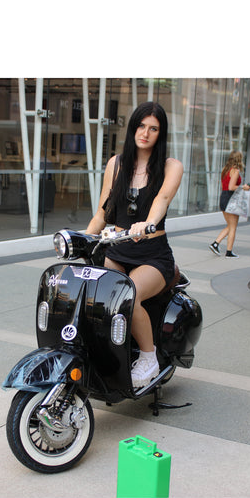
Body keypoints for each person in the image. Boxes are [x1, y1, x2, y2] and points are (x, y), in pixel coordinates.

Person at [85, 102, 183, 388]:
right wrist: (82, 240)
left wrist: (147, 222)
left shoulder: (171, 166)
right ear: (132, 128)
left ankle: (149, 358)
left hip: (153, 255)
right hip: (117, 251)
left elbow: (162, 199)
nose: (145, 133)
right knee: (92, 294)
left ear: (161, 134)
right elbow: (102, 212)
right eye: (141, 126)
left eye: (153, 128)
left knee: (128, 295)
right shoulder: (116, 164)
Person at [208, 151, 250, 258]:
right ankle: (229, 251)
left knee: (230, 225)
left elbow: (224, 185)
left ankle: (216, 244)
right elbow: (231, 187)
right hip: (231, 199)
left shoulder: (225, 169)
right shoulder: (235, 171)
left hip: (224, 197)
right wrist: (244, 187)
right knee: (233, 227)